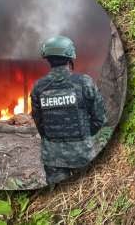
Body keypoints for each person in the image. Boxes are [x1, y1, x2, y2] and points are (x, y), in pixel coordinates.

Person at [30, 35, 107, 186]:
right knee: (86, 196)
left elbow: (39, 123)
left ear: (48, 58)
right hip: (82, 155)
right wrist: (84, 134)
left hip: (53, 158)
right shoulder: (84, 82)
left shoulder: (39, 87)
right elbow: (99, 118)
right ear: (70, 56)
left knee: (59, 199)